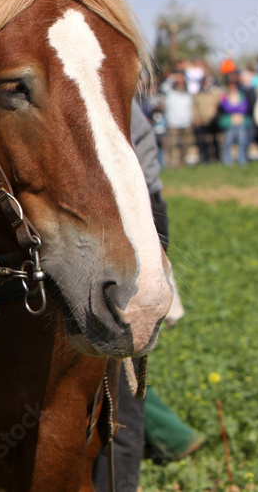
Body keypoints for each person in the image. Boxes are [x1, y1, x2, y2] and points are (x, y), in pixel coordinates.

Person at [92, 100, 200, 492]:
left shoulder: (109, 94)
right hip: (102, 214)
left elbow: (143, 186)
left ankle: (118, 484)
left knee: (121, 378)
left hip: (129, 214)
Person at [162, 74, 193, 168]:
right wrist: (173, 78)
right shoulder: (170, 93)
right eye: (179, 83)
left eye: (182, 83)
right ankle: (170, 164)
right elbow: (163, 87)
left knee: (186, 144)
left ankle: (182, 163)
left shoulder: (188, 95)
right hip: (172, 123)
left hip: (186, 123)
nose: (181, 85)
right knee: (171, 145)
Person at [220, 75, 250, 165]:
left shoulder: (241, 95)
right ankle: (228, 160)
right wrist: (237, 107)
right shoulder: (224, 96)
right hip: (230, 122)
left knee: (242, 142)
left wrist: (233, 107)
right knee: (228, 142)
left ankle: (242, 160)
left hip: (240, 121)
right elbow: (226, 108)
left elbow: (244, 108)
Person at [192, 76, 222, 164]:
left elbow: (218, 105)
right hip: (202, 121)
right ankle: (205, 159)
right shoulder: (198, 95)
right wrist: (196, 118)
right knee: (203, 141)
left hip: (213, 121)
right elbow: (194, 107)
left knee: (215, 141)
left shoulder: (214, 94)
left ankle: (217, 158)